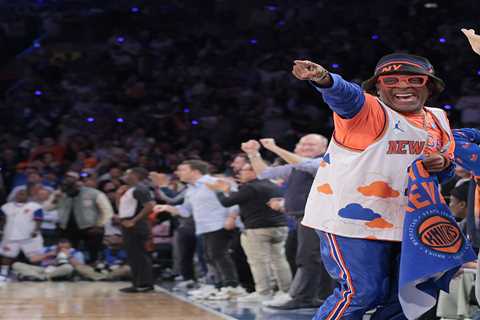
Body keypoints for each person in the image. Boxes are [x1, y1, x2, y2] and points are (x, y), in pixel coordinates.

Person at [292, 52, 455, 319]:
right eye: (390, 80)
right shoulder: (368, 110)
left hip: (408, 221)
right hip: (352, 220)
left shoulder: (438, 118)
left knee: (407, 298)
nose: (402, 86)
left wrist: (443, 164)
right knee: (362, 292)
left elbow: (443, 170)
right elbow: (346, 96)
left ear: (429, 85)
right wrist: (324, 79)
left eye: (414, 79)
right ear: (377, 87)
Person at [242, 135, 333, 310]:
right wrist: (253, 154)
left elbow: (305, 164)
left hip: (316, 218)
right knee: (305, 257)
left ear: (324, 147)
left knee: (309, 258)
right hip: (301, 218)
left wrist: (274, 148)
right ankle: (316, 297)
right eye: (303, 143)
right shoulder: (295, 165)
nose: (306, 146)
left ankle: (305, 298)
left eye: (311, 143)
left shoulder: (325, 161)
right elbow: (265, 174)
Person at [154, 160, 245, 300]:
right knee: (210, 257)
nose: (178, 173)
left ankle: (233, 287)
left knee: (219, 255)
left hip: (220, 224)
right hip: (204, 227)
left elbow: (235, 199)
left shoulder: (216, 181)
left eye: (183, 170)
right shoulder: (191, 189)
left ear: (195, 171)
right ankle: (220, 286)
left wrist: (232, 218)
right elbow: (186, 211)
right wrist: (167, 208)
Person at [207, 162, 292, 302]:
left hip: (257, 229)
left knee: (258, 262)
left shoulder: (250, 187)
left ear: (254, 171)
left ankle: (264, 293)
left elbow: (227, 202)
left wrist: (220, 190)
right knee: (279, 260)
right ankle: (286, 292)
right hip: (280, 227)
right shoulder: (272, 184)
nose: (240, 173)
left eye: (244, 170)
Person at [46, 171, 113, 263]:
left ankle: (95, 266)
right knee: (70, 253)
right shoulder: (60, 194)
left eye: (70, 190)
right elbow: (46, 208)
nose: (68, 193)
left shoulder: (94, 193)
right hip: (67, 228)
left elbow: (107, 211)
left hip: (90, 228)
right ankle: (71, 270)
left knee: (94, 252)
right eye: (66, 190)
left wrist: (100, 225)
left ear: (76, 186)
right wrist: (55, 199)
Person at [436, 182, 478, 319]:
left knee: (460, 274)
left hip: (472, 271)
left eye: (452, 202)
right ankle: (448, 317)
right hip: (471, 268)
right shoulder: (464, 225)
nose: (450, 206)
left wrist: (464, 265)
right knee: (451, 273)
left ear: (463, 204)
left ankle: (460, 315)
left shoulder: (472, 226)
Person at [118, 167, 155, 293]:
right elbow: (122, 208)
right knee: (133, 255)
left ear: (134, 175)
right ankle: (138, 283)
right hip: (128, 223)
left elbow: (150, 206)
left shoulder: (140, 189)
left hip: (136, 225)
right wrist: (118, 195)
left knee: (139, 255)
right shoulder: (131, 190)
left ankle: (144, 283)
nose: (124, 176)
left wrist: (134, 221)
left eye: (126, 173)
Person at [0, 189, 44, 281]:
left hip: (29, 237)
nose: (20, 195)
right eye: (18, 194)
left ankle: (40, 274)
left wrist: (36, 230)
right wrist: (1, 229)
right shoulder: (6, 207)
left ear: (28, 196)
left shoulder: (35, 206)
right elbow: (2, 219)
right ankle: (3, 275)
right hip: (10, 236)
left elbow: (39, 220)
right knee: (6, 256)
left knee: (35, 257)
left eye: (22, 194)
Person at [12, 238, 85, 281]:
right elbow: (32, 259)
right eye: (60, 248)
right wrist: (48, 254)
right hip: (43, 269)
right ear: (56, 246)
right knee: (16, 264)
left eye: (65, 248)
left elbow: (80, 267)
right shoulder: (49, 249)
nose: (62, 249)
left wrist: (68, 256)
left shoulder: (76, 252)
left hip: (59, 271)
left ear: (70, 247)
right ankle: (37, 277)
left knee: (68, 268)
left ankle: (37, 277)